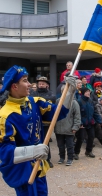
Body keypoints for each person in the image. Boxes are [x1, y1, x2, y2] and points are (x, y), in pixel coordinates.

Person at [0, 65, 76, 196]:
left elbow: (59, 112)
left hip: (39, 167)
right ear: (14, 86)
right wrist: (33, 151)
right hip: (22, 173)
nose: (30, 84)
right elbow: (4, 152)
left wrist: (70, 92)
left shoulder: (34, 102)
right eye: (25, 80)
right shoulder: (4, 116)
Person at [30, 76, 56, 168]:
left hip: (46, 122)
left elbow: (51, 100)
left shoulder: (51, 94)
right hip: (35, 120)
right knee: (35, 140)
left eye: (43, 83)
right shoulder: (33, 93)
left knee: (46, 141)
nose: (41, 85)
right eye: (40, 83)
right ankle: (36, 158)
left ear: (46, 85)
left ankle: (47, 159)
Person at [55, 85, 81, 166]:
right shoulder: (58, 101)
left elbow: (77, 116)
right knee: (60, 145)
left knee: (70, 145)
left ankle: (70, 158)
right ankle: (62, 157)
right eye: (64, 91)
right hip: (59, 128)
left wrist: (75, 127)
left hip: (69, 128)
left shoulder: (74, 102)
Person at [74, 87, 102, 159]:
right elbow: (77, 114)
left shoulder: (91, 101)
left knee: (91, 137)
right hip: (82, 124)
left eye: (89, 92)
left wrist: (99, 121)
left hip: (91, 122)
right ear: (83, 93)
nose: (88, 93)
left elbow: (95, 112)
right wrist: (79, 123)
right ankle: (76, 153)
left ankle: (88, 151)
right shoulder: (79, 101)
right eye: (86, 92)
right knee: (80, 138)